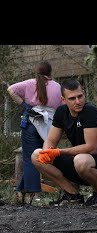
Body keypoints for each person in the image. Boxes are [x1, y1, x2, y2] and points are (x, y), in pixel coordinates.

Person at [32, 78, 97, 206]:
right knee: (37, 155)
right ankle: (72, 194)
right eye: (72, 98)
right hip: (78, 165)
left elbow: (91, 148)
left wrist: (59, 152)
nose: (78, 101)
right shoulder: (61, 112)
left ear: (84, 94)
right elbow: (50, 140)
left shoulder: (91, 112)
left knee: (80, 160)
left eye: (80, 96)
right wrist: (47, 152)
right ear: (63, 99)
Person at [7, 61, 62, 205]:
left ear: (36, 72)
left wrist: (24, 105)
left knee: (29, 158)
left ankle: (29, 190)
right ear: (51, 72)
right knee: (42, 156)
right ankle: (24, 190)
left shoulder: (29, 83)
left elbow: (11, 90)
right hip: (50, 125)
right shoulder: (57, 87)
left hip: (32, 120)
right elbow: (63, 107)